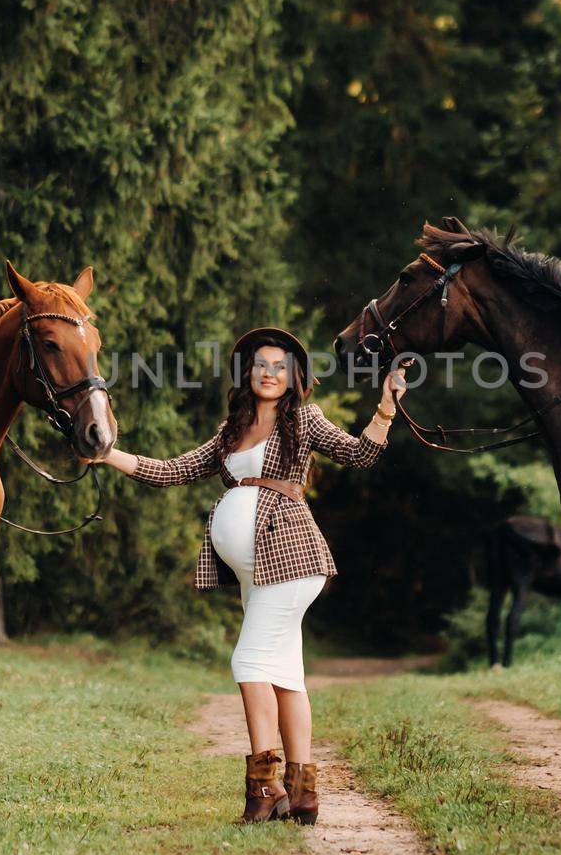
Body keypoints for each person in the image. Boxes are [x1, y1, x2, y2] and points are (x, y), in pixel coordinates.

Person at [91, 327, 403, 824]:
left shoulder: (303, 420)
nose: (271, 373)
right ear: (247, 373)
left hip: (291, 557)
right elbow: (170, 470)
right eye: (262, 364)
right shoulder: (229, 430)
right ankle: (302, 795)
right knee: (285, 677)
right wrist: (108, 455)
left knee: (248, 663)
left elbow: (360, 454)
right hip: (255, 573)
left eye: (281, 366)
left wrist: (385, 407)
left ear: (294, 375)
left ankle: (265, 790)